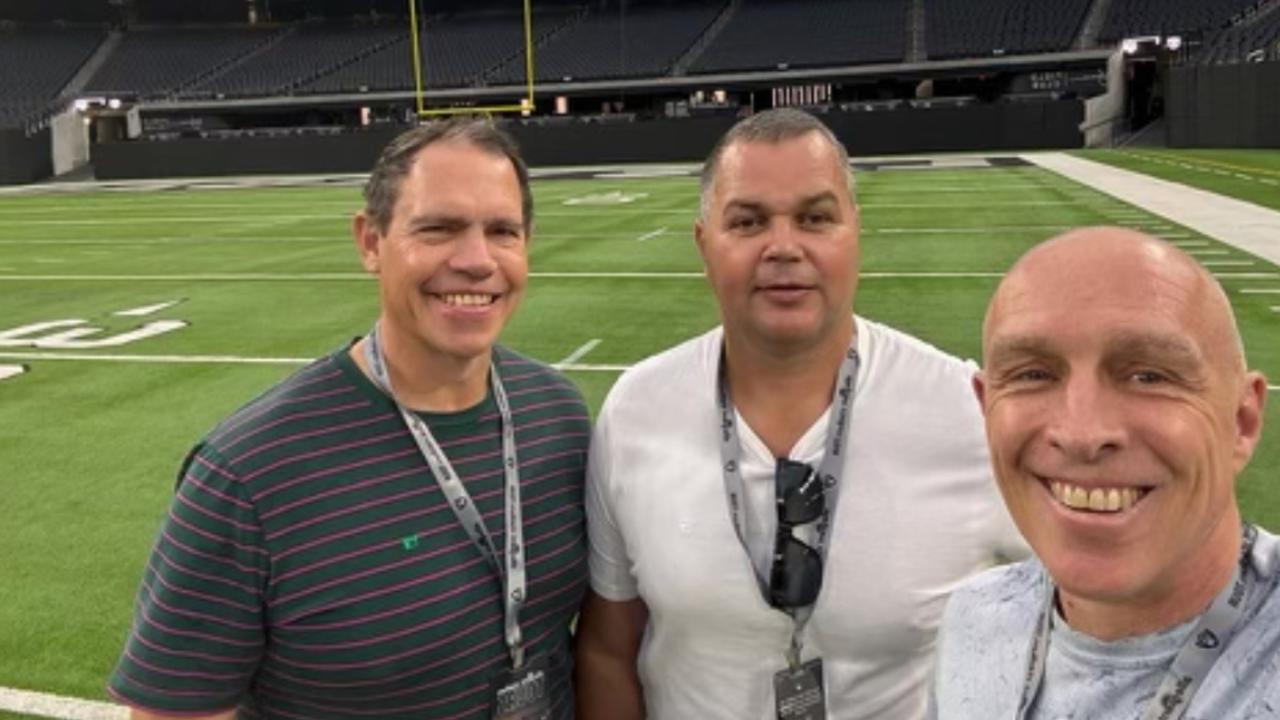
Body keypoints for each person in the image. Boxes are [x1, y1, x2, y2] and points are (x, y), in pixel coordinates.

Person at [107, 118, 591, 719]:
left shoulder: (558, 416)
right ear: (370, 242)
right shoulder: (249, 476)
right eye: (438, 229)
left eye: (502, 231)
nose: (476, 260)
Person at [573, 107, 1026, 720]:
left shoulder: (965, 410)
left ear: (854, 231)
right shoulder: (636, 410)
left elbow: (1099, 617)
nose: (783, 247)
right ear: (705, 245)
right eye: (748, 221)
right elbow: (607, 648)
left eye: (815, 218)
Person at [931, 227, 1278, 718]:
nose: (1081, 432)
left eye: (1149, 375)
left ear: (1241, 422)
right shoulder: (974, 617)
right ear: (987, 408)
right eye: (1033, 374)